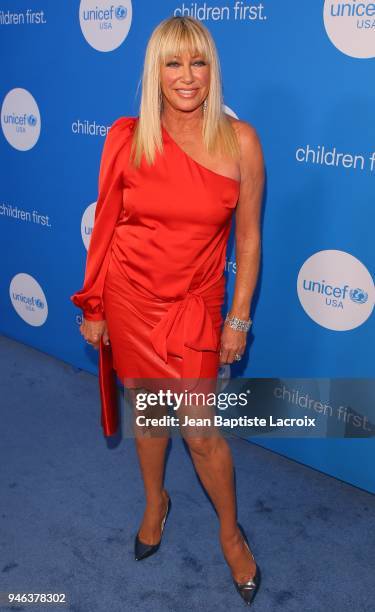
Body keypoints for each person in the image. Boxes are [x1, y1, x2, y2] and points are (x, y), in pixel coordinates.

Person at [70, 15, 264, 606]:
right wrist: (96, 304)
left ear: (212, 71)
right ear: (155, 71)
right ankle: (157, 502)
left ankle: (230, 533)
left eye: (197, 62)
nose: (186, 76)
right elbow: (105, 230)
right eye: (173, 63)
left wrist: (238, 317)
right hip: (129, 299)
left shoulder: (242, 143)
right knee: (148, 415)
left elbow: (250, 242)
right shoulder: (126, 138)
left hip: (194, 308)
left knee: (201, 433)